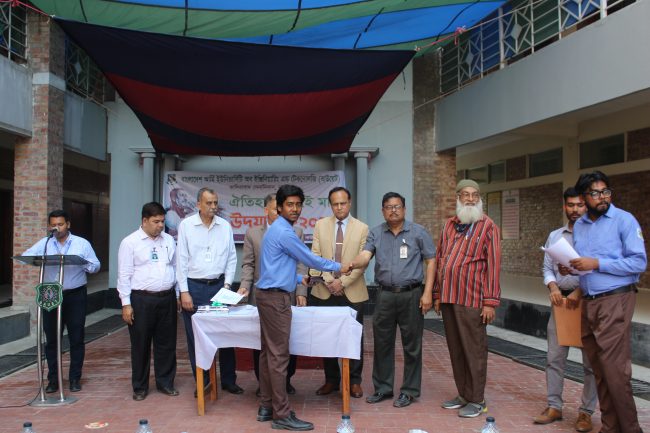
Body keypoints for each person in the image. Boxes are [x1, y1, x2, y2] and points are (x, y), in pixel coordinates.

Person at [255, 184, 351, 431]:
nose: (295, 209)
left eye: (298, 204)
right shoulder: (285, 232)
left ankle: (266, 406)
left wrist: (299, 279)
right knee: (278, 357)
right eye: (289, 204)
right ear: (279, 207)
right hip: (275, 300)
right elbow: (309, 259)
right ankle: (281, 414)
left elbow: (274, 267)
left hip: (268, 295)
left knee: (268, 355)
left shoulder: (277, 229)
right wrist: (339, 267)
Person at [570, 171, 646, 433]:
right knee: (599, 369)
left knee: (615, 370)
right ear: (583, 198)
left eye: (606, 191)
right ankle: (610, 427)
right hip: (589, 302)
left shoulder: (624, 220)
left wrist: (597, 263)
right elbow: (583, 263)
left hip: (615, 299)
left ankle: (631, 429)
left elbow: (638, 262)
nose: (602, 197)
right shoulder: (580, 225)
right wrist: (573, 267)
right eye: (595, 193)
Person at [350, 192, 435, 409]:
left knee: (412, 345)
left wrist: (428, 293)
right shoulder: (376, 233)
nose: (393, 210)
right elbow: (366, 256)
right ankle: (383, 388)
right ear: (383, 211)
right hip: (385, 295)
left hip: (412, 294)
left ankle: (409, 390)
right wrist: (351, 264)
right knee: (382, 343)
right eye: (388, 207)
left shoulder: (418, 232)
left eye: (397, 206)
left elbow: (431, 261)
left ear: (404, 209)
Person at [433, 179, 501, 418]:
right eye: (466, 195)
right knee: (456, 349)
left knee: (474, 350)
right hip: (449, 297)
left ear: (479, 198)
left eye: (475, 195)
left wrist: (490, 302)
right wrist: (437, 294)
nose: (470, 199)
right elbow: (440, 259)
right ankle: (463, 394)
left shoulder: (488, 226)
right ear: (458, 198)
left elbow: (493, 266)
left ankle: (477, 399)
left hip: (472, 299)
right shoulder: (449, 225)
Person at [533, 187, 596, 431]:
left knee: (590, 363)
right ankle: (554, 406)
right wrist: (553, 287)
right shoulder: (555, 236)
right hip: (560, 302)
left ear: (586, 205)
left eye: (580, 205)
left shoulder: (595, 235)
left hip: (588, 303)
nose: (575, 209)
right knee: (554, 358)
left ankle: (586, 413)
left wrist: (581, 290)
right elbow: (547, 268)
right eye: (571, 205)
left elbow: (597, 269)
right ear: (564, 207)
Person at [23, 209, 100, 393]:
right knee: (51, 339)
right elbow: (26, 257)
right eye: (53, 225)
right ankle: (53, 380)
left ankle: (74, 378)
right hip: (50, 294)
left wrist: (82, 263)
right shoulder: (45, 244)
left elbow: (96, 266)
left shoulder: (81, 244)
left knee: (76, 337)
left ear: (68, 224)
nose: (56, 228)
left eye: (60, 224)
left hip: (75, 294)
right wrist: (36, 260)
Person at [176, 187, 244, 395]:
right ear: (198, 204)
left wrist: (227, 286)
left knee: (225, 334)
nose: (213, 206)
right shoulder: (186, 225)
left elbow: (231, 258)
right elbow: (181, 260)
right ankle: (203, 381)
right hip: (194, 288)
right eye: (209, 203)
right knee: (196, 338)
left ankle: (228, 380)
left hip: (219, 287)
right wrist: (184, 292)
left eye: (215, 202)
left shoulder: (224, 226)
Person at [239, 193, 305, 396]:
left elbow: (301, 264)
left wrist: (301, 292)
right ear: (266, 210)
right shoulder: (253, 234)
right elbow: (248, 264)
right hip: (261, 296)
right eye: (277, 209)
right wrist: (244, 287)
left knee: (285, 341)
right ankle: (264, 385)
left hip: (286, 294)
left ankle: (285, 381)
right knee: (263, 343)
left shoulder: (296, 232)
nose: (281, 212)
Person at [309, 186, 369, 399]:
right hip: (324, 291)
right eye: (335, 204)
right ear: (330, 205)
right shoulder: (320, 225)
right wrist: (329, 281)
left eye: (343, 203)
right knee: (327, 337)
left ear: (349, 203)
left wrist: (342, 282)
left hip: (352, 290)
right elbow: (315, 256)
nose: (339, 207)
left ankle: (354, 381)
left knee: (354, 337)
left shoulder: (362, 228)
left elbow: (362, 263)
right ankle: (332, 380)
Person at [117, 202, 179, 401]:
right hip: (141, 300)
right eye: (156, 221)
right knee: (140, 344)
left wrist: (178, 294)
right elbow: (124, 275)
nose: (160, 225)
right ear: (144, 220)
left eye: (162, 221)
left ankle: (165, 382)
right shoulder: (130, 243)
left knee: (166, 343)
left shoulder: (168, 240)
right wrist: (126, 304)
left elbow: (175, 267)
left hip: (167, 298)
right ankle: (140, 387)